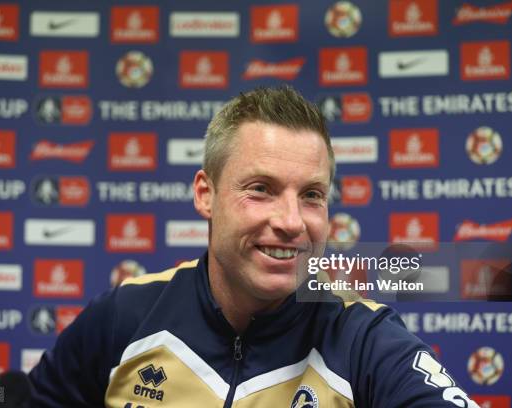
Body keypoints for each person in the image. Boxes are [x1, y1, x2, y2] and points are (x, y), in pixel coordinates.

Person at [29, 86, 479, 407]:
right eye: (261, 189)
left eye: (311, 196)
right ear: (206, 194)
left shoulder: (363, 339)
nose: (290, 222)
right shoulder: (125, 315)